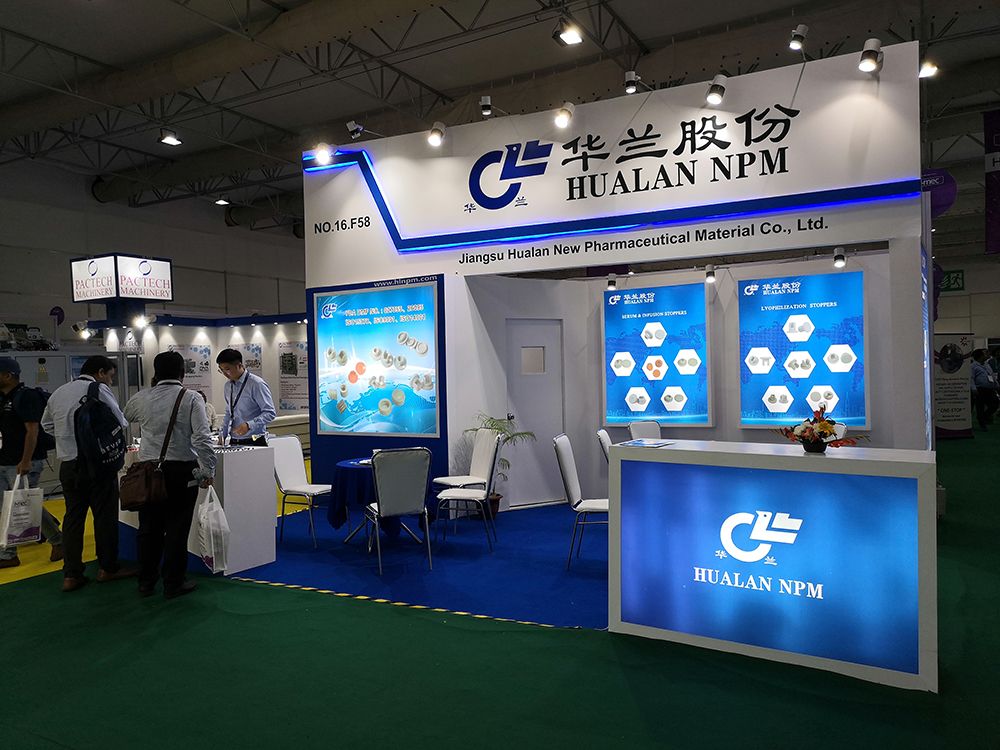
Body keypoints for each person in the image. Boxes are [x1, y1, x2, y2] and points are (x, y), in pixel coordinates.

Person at [124, 352, 216, 599]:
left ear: (155, 374)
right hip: (181, 472)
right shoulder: (191, 398)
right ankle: (173, 583)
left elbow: (126, 416)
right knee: (177, 528)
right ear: (183, 373)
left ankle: (146, 582)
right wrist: (208, 470)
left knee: (148, 528)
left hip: (148, 471)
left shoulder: (141, 397)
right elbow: (202, 437)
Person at [41, 355, 136, 592]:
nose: (110, 382)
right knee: (104, 518)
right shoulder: (99, 390)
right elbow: (121, 421)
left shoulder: (59, 392)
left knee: (73, 519)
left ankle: (72, 574)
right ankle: (108, 568)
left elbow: (46, 425)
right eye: (110, 376)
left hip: (68, 466)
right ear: (100, 372)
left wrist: (68, 438)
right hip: (97, 466)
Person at [0, 357, 63, 568]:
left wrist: (26, 460)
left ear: (8, 375)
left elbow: (32, 430)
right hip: (3, 460)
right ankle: (8, 554)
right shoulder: (2, 399)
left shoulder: (26, 397)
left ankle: (58, 540)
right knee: (5, 507)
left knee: (23, 505)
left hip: (23, 461)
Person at [216, 349, 275, 446]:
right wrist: (222, 434)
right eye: (221, 370)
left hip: (255, 440)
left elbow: (270, 413)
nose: (224, 373)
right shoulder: (228, 386)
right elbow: (229, 412)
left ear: (239, 365)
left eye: (227, 369)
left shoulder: (256, 384)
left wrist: (249, 425)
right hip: (234, 440)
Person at [970, 348, 999, 431]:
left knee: (995, 405)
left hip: (990, 389)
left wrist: (997, 385)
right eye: (984, 354)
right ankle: (982, 424)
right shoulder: (973, 366)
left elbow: (992, 376)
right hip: (980, 389)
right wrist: (973, 388)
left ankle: (984, 416)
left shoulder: (987, 365)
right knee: (980, 407)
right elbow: (971, 378)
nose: (986, 355)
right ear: (980, 356)